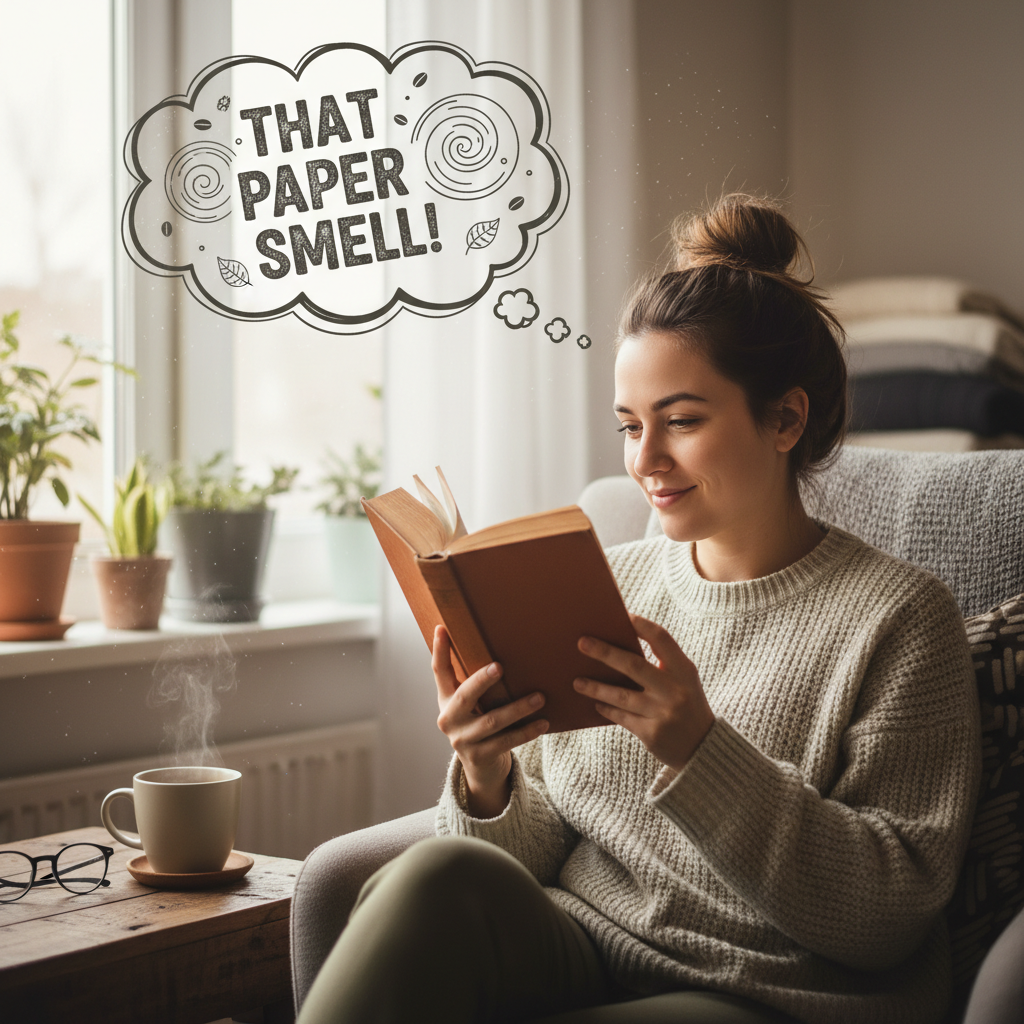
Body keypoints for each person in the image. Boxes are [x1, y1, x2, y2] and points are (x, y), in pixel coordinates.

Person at [296, 194, 982, 1024]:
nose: (645, 461)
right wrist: (488, 776)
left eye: (682, 421)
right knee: (434, 878)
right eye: (629, 426)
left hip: (763, 991)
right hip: (583, 947)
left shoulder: (902, 619)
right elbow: (540, 848)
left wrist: (700, 749)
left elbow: (888, 913)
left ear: (785, 418)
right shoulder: (605, 582)